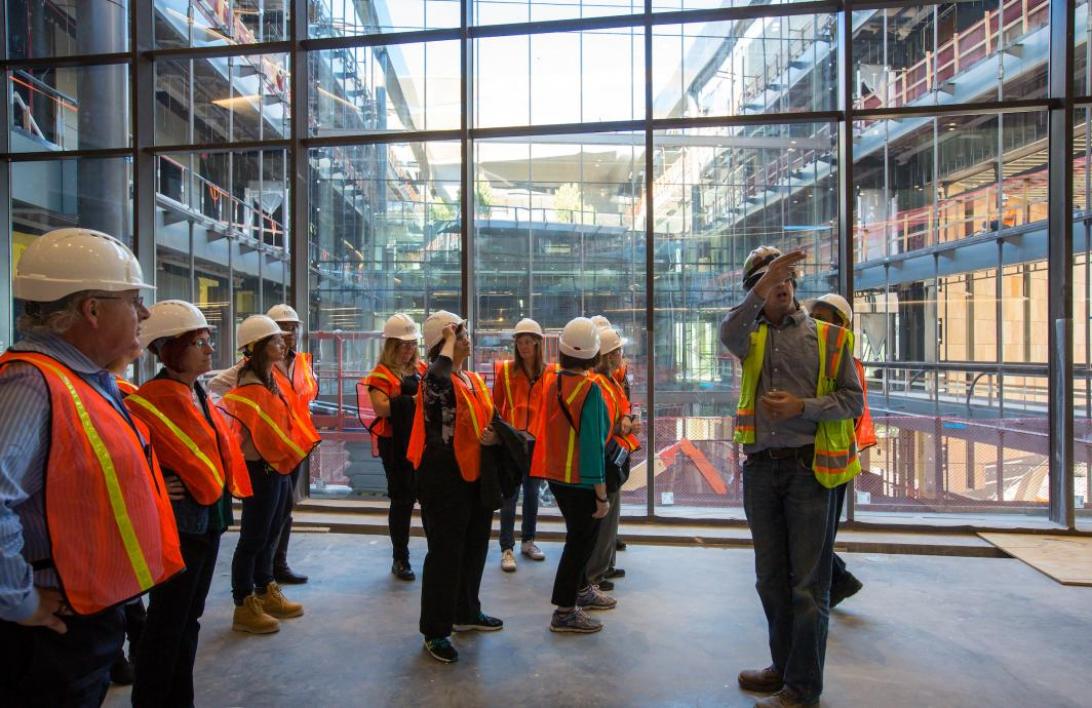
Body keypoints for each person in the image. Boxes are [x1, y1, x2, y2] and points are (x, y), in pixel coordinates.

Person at [0, 228, 183, 706]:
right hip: (53, 624)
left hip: (88, 608)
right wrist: (16, 600)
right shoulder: (30, 383)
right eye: (132, 300)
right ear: (92, 310)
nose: (144, 314)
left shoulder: (87, 380)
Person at [720, 246, 863, 708]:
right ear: (756, 290)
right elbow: (727, 330)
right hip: (761, 471)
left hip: (808, 470)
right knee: (770, 580)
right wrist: (761, 287)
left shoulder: (828, 338)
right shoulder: (750, 336)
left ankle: (802, 689)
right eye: (767, 278)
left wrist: (803, 408)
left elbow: (852, 401)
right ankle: (783, 670)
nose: (780, 283)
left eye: (786, 276)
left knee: (807, 586)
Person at [126, 300, 253, 706]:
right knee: (167, 623)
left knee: (188, 621)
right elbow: (126, 458)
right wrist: (156, 481)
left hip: (207, 519)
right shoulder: (151, 398)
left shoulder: (194, 391)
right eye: (200, 341)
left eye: (208, 340)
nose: (210, 350)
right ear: (172, 348)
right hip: (182, 525)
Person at [407, 311, 502, 663]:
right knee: (445, 555)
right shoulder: (432, 380)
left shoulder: (473, 379)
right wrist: (446, 341)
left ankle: (466, 612)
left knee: (475, 548)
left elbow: (485, 418)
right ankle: (435, 631)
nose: (466, 338)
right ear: (441, 344)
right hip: (442, 480)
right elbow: (436, 381)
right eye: (457, 334)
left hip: (473, 476)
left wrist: (496, 436)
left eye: (463, 332)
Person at [219, 315, 320, 634]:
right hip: (261, 468)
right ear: (259, 347)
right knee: (253, 536)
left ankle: (264, 588)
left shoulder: (267, 379)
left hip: (275, 466)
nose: (283, 342)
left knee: (271, 529)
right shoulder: (250, 385)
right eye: (276, 339)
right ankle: (244, 603)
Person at [529, 317, 614, 634]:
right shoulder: (590, 390)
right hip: (581, 481)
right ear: (594, 355)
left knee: (577, 539)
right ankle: (565, 610)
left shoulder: (553, 384)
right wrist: (601, 494)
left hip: (556, 477)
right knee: (579, 543)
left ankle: (580, 592)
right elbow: (592, 447)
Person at [808, 293, 878, 608]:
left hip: (834, 463)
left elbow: (850, 410)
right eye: (815, 316)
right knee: (814, 539)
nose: (817, 323)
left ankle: (835, 585)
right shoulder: (817, 356)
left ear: (842, 325)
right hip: (818, 461)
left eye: (824, 317)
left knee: (818, 540)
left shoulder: (845, 361)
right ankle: (837, 584)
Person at [359, 313, 426, 581]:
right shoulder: (380, 374)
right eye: (402, 345)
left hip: (419, 440)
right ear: (391, 346)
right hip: (395, 445)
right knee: (402, 501)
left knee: (424, 496)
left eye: (411, 345)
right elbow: (381, 408)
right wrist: (412, 401)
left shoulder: (421, 368)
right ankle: (401, 558)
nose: (408, 350)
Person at [104, 341, 148, 687]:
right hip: (107, 521)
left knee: (131, 602)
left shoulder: (119, 391)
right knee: (122, 603)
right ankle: (119, 661)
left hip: (126, 515)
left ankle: (132, 658)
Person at [266, 304, 319, 586]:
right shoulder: (258, 364)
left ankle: (278, 563)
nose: (289, 335)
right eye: (283, 329)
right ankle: (265, 568)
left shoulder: (302, 362)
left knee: (286, 507)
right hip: (272, 446)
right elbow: (225, 388)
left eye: (293, 328)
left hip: (297, 445)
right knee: (275, 506)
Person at [586, 326, 640, 593]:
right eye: (618, 351)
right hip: (607, 460)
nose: (621, 355)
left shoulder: (610, 381)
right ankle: (595, 573)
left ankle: (604, 565)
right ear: (607, 356)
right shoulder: (599, 384)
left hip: (613, 459)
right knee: (604, 520)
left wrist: (627, 420)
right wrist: (622, 427)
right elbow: (604, 427)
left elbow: (622, 410)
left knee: (611, 519)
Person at [492, 318, 548, 573]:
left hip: (536, 442)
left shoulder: (549, 373)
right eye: (520, 342)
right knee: (509, 496)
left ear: (538, 344)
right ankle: (507, 548)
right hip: (512, 443)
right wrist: (497, 435)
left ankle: (528, 541)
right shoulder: (505, 371)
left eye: (528, 342)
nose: (524, 347)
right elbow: (495, 407)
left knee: (533, 493)